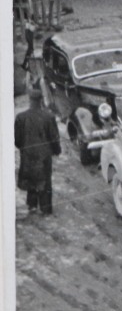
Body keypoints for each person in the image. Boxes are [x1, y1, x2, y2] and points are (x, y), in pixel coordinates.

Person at [14, 88, 61, 216]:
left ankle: (32, 205)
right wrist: (56, 150)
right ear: (41, 100)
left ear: (29, 100)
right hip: (44, 155)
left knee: (31, 178)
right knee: (45, 181)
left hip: (28, 154)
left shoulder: (20, 117)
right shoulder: (49, 116)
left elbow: (17, 140)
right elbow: (54, 138)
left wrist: (25, 148)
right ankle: (45, 209)